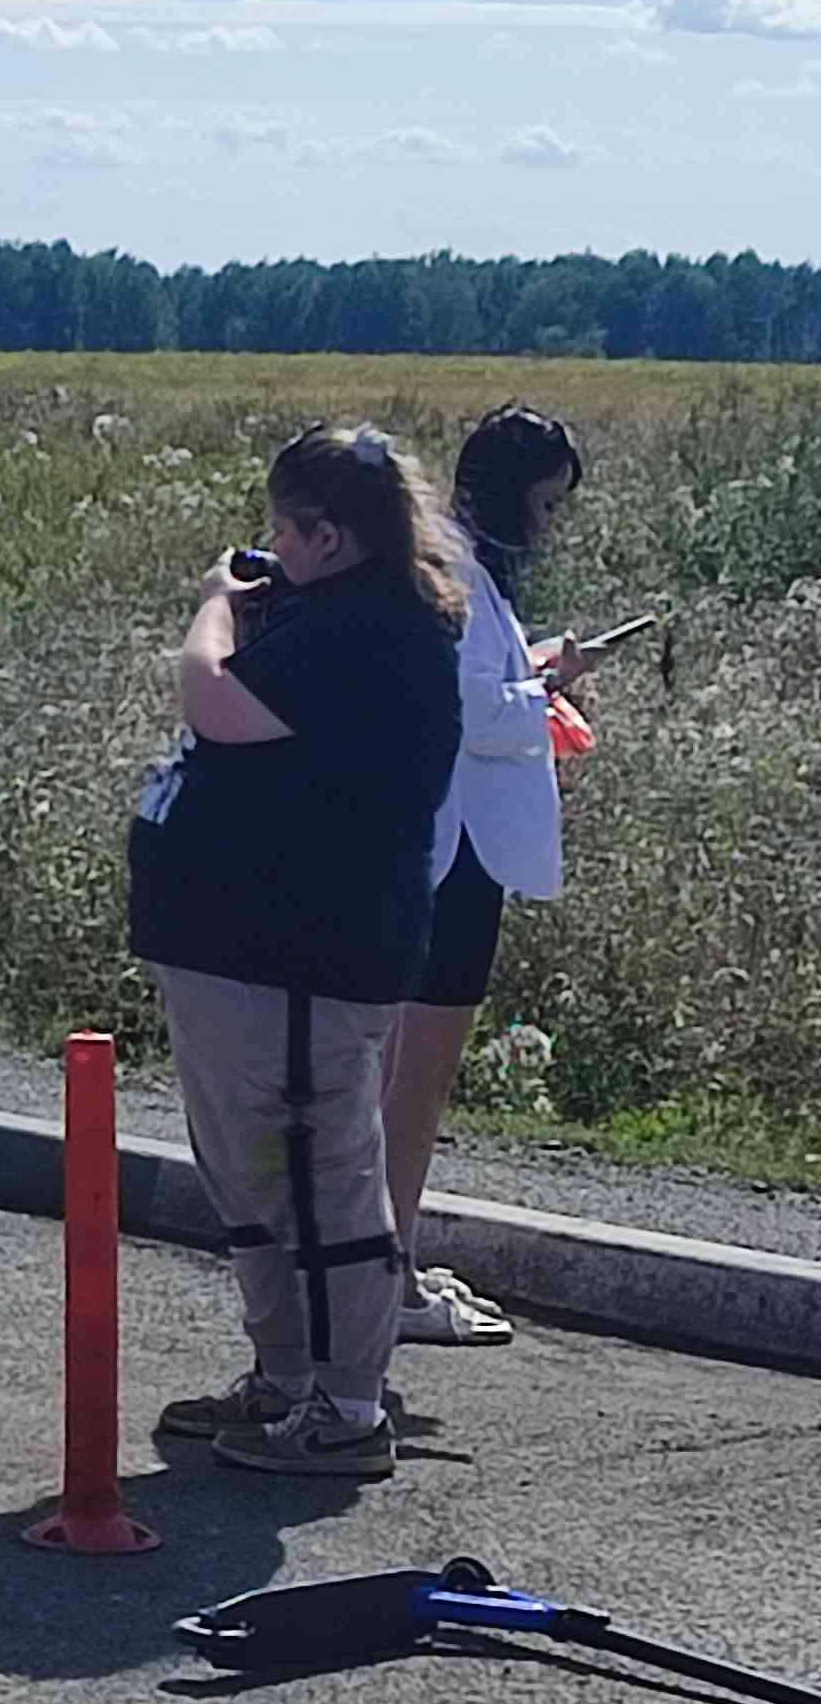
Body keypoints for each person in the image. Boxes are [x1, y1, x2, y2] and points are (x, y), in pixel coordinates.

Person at [131, 423, 465, 1481]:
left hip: (299, 948)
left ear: (327, 532)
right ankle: (285, 1373)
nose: (270, 544)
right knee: (251, 1172)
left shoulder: (373, 631)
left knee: (317, 1177)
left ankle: (348, 1401)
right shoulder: (330, 612)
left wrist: (215, 606)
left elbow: (209, 698)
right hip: (241, 944)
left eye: (284, 526)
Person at [384, 405, 592, 1350]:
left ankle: (387, 1258)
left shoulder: (458, 565)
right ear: (512, 497)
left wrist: (532, 671)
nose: (551, 527)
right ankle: (384, 1278)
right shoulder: (460, 569)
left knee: (399, 1074)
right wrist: (544, 688)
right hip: (452, 852)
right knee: (414, 1079)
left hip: (440, 846)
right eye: (545, 505)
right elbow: (461, 707)